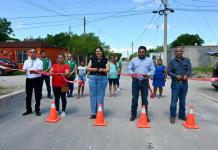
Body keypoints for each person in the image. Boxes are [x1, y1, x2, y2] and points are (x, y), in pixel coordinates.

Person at [127, 46, 155, 121]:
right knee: (134, 99)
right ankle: (133, 114)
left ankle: (145, 115)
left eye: (143, 52)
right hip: (135, 81)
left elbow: (153, 70)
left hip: (145, 82)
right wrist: (133, 74)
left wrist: (148, 74)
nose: (141, 53)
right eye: (140, 52)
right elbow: (129, 69)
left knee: (144, 99)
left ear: (145, 52)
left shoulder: (149, 60)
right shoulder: (134, 60)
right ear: (138, 52)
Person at [168, 46, 192, 124]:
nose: (179, 53)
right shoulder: (172, 61)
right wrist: (175, 76)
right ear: (175, 52)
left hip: (184, 84)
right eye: (177, 51)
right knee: (174, 101)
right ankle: (172, 116)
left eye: (180, 51)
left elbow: (189, 70)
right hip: (175, 83)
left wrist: (186, 75)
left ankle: (182, 115)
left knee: (183, 101)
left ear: (183, 52)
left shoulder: (187, 60)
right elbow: (169, 72)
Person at [87, 47, 109, 119]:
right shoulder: (92, 59)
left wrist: (102, 70)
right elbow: (88, 68)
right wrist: (94, 69)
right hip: (93, 78)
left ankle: (100, 112)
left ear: (102, 52)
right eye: (96, 51)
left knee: (100, 96)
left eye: (99, 51)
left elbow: (107, 70)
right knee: (93, 96)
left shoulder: (105, 60)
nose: (98, 52)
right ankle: (93, 113)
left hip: (102, 78)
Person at [22, 49, 43, 116]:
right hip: (29, 80)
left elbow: (39, 70)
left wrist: (34, 71)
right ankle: (28, 110)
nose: (32, 53)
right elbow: (24, 70)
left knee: (37, 95)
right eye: (31, 52)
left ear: (36, 53)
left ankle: (37, 110)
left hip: (37, 79)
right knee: (28, 95)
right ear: (29, 53)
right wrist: (24, 71)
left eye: (34, 52)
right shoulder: (26, 61)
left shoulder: (39, 61)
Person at [49, 53, 70, 118]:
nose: (60, 59)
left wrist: (65, 74)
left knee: (63, 98)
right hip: (55, 84)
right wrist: (51, 72)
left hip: (64, 84)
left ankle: (63, 111)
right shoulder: (54, 65)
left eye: (61, 58)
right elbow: (50, 72)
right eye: (59, 58)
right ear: (57, 59)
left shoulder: (66, 66)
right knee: (56, 98)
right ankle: (57, 110)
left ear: (64, 59)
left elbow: (67, 73)